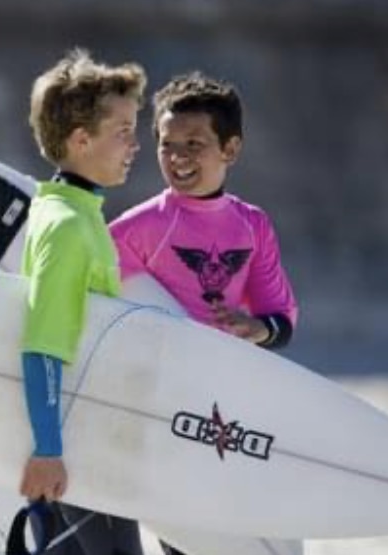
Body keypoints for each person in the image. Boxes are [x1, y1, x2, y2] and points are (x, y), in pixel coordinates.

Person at [109, 71, 299, 555]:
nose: (178, 157)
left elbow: (283, 316)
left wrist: (257, 329)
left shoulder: (252, 224)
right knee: (185, 538)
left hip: (231, 399)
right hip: (164, 405)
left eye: (194, 143)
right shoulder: (136, 229)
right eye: (167, 144)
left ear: (229, 149)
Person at [18, 48, 148, 555]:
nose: (135, 145)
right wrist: (48, 449)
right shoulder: (68, 227)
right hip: (75, 442)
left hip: (88, 436)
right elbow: (42, 345)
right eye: (123, 131)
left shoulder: (74, 210)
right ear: (80, 140)